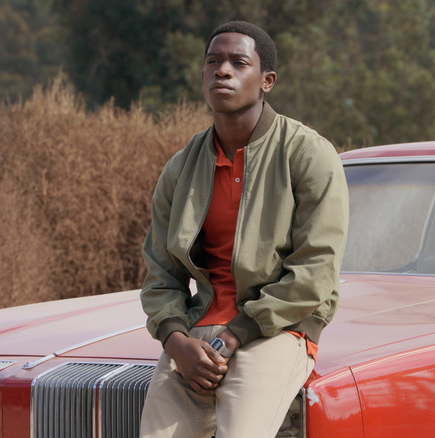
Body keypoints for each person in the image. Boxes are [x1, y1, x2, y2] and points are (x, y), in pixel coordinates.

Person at [139, 20, 349, 438]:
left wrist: (236, 335)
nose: (222, 71)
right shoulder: (181, 169)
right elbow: (160, 273)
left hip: (279, 329)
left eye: (238, 62)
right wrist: (176, 341)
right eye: (213, 62)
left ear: (266, 80)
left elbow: (315, 272)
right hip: (197, 334)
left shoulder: (309, 154)